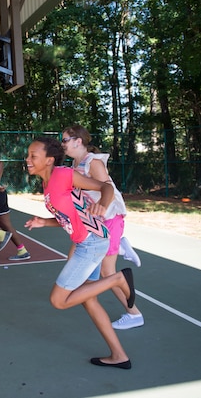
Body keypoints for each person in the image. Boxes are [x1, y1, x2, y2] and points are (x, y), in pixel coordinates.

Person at [24, 137, 135, 369]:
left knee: (59, 300)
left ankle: (118, 278)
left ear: (49, 160)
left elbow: (106, 187)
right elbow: (67, 216)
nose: (28, 159)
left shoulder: (63, 174)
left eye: (33, 156)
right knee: (88, 299)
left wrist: (103, 205)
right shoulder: (47, 184)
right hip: (88, 241)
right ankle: (119, 355)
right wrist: (44, 222)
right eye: (28, 155)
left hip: (92, 243)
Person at [62, 125, 144, 330]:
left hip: (108, 220)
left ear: (77, 141)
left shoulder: (93, 162)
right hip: (93, 223)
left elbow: (107, 189)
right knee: (73, 259)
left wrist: (102, 206)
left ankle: (134, 314)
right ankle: (120, 247)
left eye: (65, 140)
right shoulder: (74, 164)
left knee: (108, 273)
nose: (62, 144)